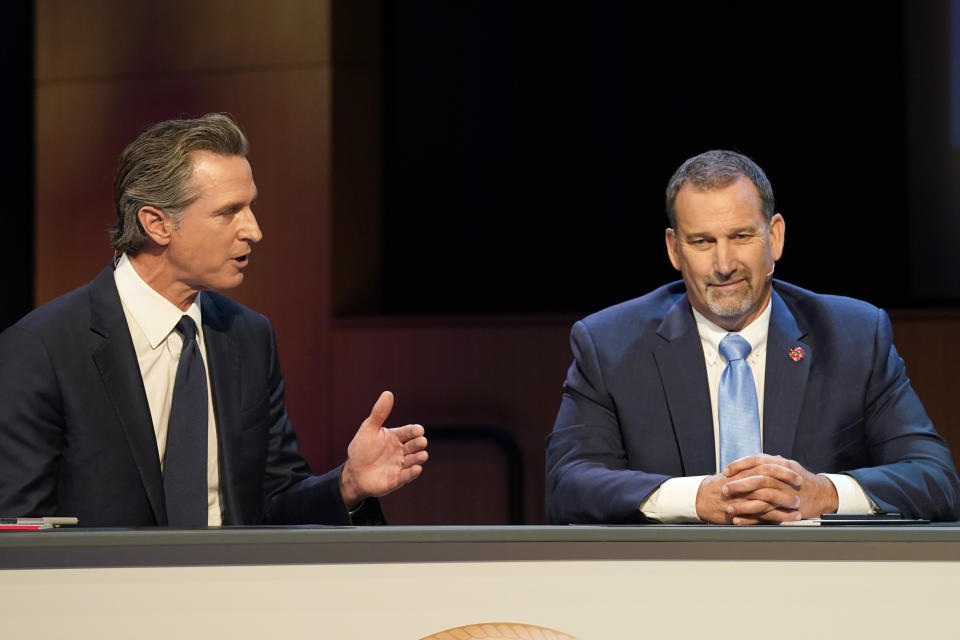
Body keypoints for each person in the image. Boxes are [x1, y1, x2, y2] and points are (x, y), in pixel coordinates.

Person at [0, 113, 428, 527]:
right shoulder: (45, 348)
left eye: (251, 208)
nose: (254, 230)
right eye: (229, 212)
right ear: (157, 224)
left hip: (232, 597)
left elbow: (274, 504)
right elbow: (22, 530)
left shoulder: (248, 337)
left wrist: (348, 484)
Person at [546, 149, 960, 524]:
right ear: (674, 249)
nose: (723, 264)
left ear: (774, 237)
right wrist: (695, 499)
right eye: (702, 241)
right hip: (671, 585)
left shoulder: (854, 336)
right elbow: (568, 484)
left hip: (816, 585)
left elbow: (933, 478)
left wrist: (823, 493)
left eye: (741, 237)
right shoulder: (608, 344)